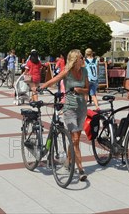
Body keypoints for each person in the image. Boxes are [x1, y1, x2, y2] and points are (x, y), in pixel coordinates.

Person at [41, 49, 89, 182]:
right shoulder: (67, 72)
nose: (83, 59)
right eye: (81, 58)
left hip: (81, 108)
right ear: (75, 60)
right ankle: (80, 169)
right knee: (74, 138)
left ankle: (68, 161)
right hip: (69, 108)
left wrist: (80, 90)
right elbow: (55, 79)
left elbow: (87, 89)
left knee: (76, 139)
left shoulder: (84, 71)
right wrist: (42, 87)